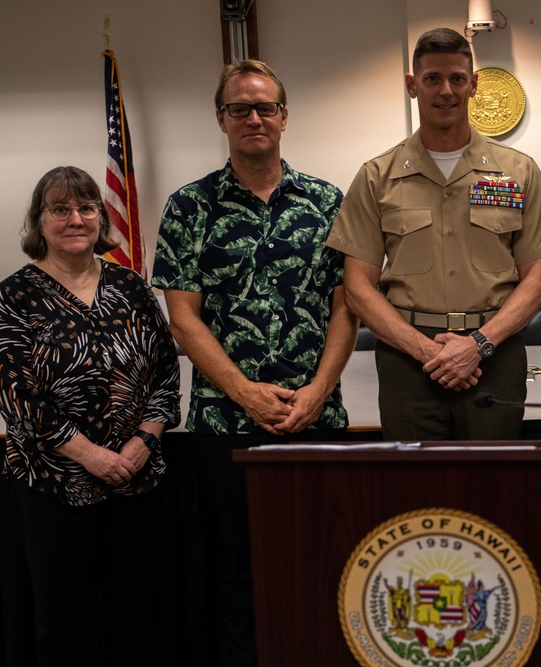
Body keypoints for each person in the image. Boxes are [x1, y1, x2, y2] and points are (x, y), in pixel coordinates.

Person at [151, 60, 356, 666]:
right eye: (240, 108)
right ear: (221, 119)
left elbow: (349, 305)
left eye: (265, 107)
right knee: (236, 572)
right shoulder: (189, 207)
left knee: (325, 564)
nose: (254, 118)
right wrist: (244, 392)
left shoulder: (328, 202)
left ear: (285, 117)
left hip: (315, 418)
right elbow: (183, 317)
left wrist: (319, 390)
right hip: (224, 425)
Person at [326, 27, 541, 441]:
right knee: (415, 491)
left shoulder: (517, 171)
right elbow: (357, 288)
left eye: (458, 78)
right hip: (408, 360)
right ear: (412, 85)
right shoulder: (377, 177)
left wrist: (477, 344)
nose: (446, 90)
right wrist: (426, 351)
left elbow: (540, 280)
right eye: (432, 79)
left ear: (473, 85)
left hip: (494, 353)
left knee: (493, 486)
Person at [0, 166, 181, 667]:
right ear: (39, 222)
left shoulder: (132, 286)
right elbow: (15, 394)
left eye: (87, 208)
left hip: (136, 482)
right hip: (52, 485)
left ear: (101, 218)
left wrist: (142, 444)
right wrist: (90, 455)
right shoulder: (14, 296)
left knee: (137, 618)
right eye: (60, 209)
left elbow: (165, 376)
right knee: (64, 625)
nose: (76, 219)